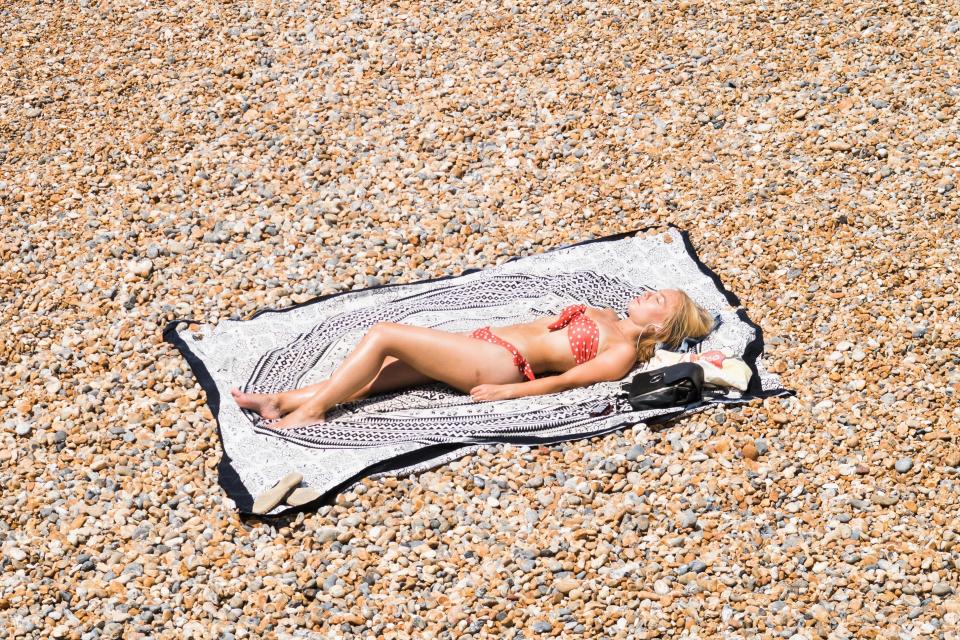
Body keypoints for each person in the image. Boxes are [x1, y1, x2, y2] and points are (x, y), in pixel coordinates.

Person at [231, 289, 715, 429]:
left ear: (657, 328)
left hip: (498, 363)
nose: (650, 294)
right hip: (482, 343)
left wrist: (510, 391)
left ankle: (313, 411)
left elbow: (568, 383)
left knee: (382, 337)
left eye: (659, 302)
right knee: (379, 376)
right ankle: (281, 400)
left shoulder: (623, 350)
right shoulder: (604, 313)